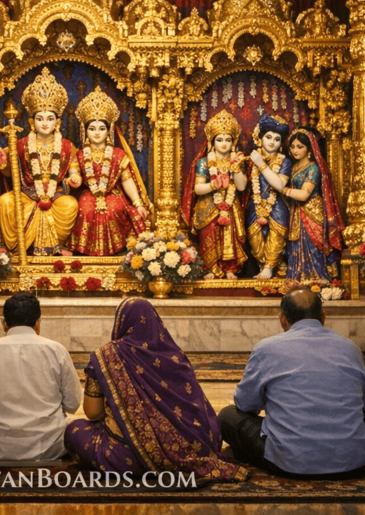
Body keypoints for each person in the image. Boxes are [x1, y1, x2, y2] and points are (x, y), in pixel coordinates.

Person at [65, 298, 246, 480]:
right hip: (192, 448)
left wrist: (122, 411)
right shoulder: (176, 358)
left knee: (74, 430)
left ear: (121, 322)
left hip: (126, 456)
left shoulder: (106, 356)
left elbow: (93, 412)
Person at [218, 288, 365, 479]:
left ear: (282, 319)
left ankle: (250, 453)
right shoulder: (351, 348)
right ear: (323, 316)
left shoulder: (266, 349)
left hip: (289, 463)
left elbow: (245, 404)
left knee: (227, 416)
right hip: (353, 464)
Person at [0, 293, 82, 461]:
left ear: (4, 324)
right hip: (49, 446)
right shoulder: (57, 351)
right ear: (38, 323)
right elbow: (72, 404)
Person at [0, 67, 81, 256]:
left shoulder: (66, 146)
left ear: (57, 122)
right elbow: (12, 174)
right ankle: (21, 247)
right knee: (6, 201)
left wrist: (75, 179)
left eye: (50, 118)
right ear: (32, 122)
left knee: (71, 204)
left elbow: (74, 170)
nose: (45, 123)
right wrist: (3, 164)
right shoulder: (21, 144)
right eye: (40, 118)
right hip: (28, 194)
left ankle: (57, 246)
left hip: (56, 195)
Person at [67, 86, 151, 256]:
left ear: (109, 130)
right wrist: (74, 180)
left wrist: (138, 203)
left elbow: (127, 180)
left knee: (114, 209)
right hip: (89, 192)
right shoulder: (80, 155)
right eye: (92, 129)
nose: (97, 133)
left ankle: (117, 250)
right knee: (85, 209)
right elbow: (74, 173)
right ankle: (84, 250)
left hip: (112, 192)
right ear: (85, 130)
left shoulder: (118, 154)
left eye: (101, 128)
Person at [181, 109, 247, 279]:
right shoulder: (204, 162)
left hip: (231, 206)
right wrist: (214, 185)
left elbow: (241, 187)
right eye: (219, 140)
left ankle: (230, 268)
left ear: (233, 142)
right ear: (212, 141)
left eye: (228, 140)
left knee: (230, 236)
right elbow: (197, 189)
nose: (224, 144)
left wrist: (236, 167)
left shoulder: (237, 161)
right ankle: (211, 268)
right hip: (208, 207)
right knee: (209, 234)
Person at [282, 128, 344, 286]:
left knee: (312, 246)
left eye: (300, 146)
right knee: (297, 245)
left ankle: (317, 281)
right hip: (296, 212)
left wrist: (283, 190)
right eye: (292, 147)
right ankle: (298, 281)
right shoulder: (294, 167)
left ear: (309, 149)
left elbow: (304, 194)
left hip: (312, 213)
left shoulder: (314, 168)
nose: (295, 150)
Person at [235, 114, 292, 279]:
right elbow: (241, 187)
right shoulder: (250, 159)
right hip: (255, 205)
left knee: (277, 235)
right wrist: (236, 168)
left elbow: (279, 185)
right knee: (255, 240)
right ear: (260, 138)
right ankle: (264, 265)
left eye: (277, 139)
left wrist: (261, 164)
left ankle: (270, 266)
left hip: (277, 205)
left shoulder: (284, 161)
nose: (272, 142)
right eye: (268, 137)